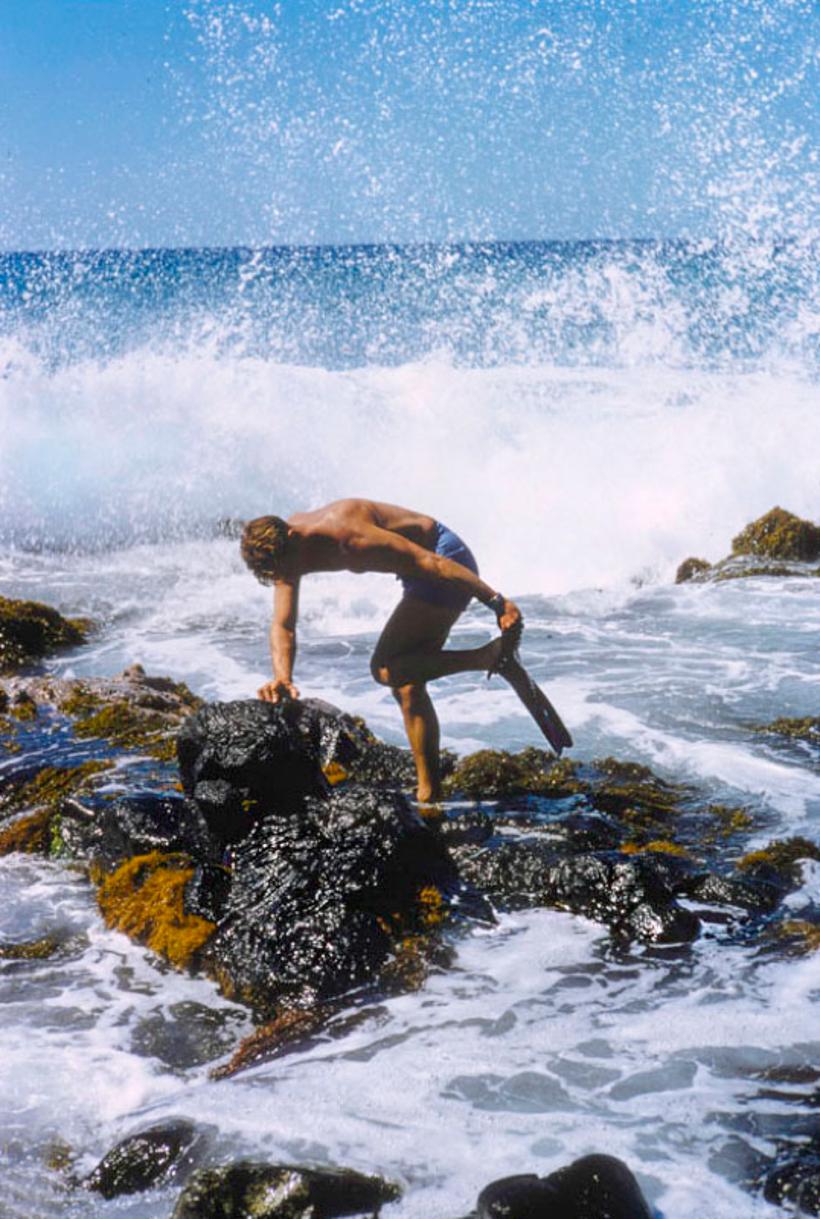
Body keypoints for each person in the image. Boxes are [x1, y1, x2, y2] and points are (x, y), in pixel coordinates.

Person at [240, 498, 522, 803]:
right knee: (408, 685)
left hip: (445, 559)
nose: (287, 578)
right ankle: (430, 794)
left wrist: (498, 603)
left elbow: (433, 564)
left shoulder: (350, 538)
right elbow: (283, 625)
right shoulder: (286, 548)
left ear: (293, 540)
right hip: (418, 572)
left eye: (286, 570)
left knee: (387, 669)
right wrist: (283, 677)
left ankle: (490, 657)